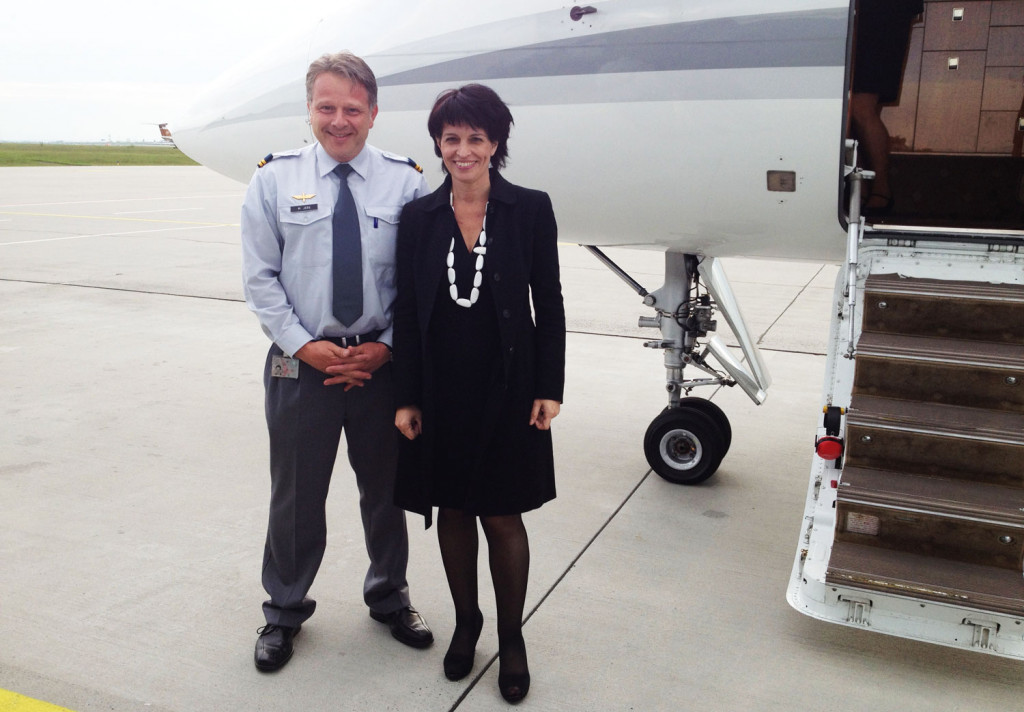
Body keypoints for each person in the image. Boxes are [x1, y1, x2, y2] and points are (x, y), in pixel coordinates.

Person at [241, 51, 434, 673]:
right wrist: (306, 345)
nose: (340, 120)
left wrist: (387, 349)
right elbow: (261, 278)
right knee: (296, 496)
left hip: (381, 365)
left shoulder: (405, 180)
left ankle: (388, 597)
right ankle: (284, 611)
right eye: (327, 106)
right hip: (303, 366)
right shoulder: (273, 179)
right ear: (309, 109)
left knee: (386, 491)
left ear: (374, 113)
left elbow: (419, 282)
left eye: (353, 108)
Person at [392, 84, 566, 703]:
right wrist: (406, 396)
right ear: (438, 145)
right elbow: (407, 312)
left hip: (510, 387)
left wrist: (550, 386)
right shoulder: (420, 216)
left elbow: (548, 299)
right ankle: (467, 622)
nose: (462, 151)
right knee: (453, 509)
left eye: (475, 138)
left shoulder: (529, 209)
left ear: (496, 143)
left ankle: (511, 636)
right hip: (441, 389)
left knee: (502, 512)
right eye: (451, 139)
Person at [849, 0, 923, 215]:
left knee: (860, 107)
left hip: (879, 13)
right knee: (853, 109)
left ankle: (879, 187)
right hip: (863, 14)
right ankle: (863, 186)